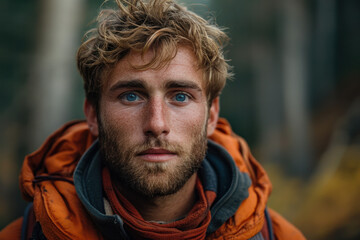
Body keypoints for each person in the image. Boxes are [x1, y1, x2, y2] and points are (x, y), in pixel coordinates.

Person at [0, 0, 306, 239]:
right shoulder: (25, 235)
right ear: (93, 114)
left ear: (211, 115)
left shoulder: (277, 236)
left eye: (180, 96)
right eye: (132, 96)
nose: (157, 124)